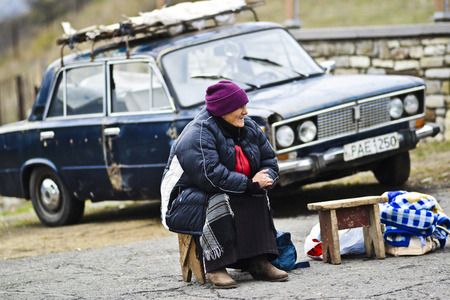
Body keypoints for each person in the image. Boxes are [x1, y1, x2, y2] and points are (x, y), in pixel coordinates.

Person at [160, 80, 288, 289]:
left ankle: (258, 261)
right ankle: (216, 265)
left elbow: (269, 160)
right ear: (224, 110)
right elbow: (210, 178)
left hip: (220, 187)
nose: (246, 112)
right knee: (220, 198)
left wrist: (265, 179)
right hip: (181, 199)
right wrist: (249, 183)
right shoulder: (198, 133)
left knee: (257, 192)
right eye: (240, 107)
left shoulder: (249, 127)